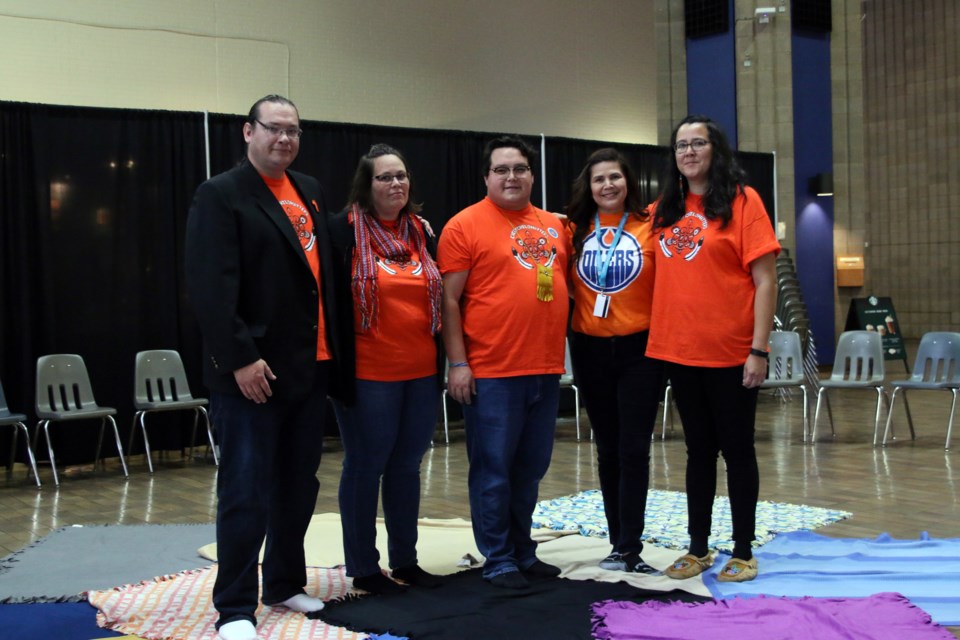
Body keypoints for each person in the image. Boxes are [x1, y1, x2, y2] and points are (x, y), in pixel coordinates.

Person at [185, 95, 342, 640]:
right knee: (245, 491)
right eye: (273, 129)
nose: (284, 139)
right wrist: (240, 360)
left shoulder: (312, 191)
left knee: (298, 487)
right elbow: (210, 289)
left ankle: (283, 582)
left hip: (309, 368)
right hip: (252, 374)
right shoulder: (221, 194)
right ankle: (233, 607)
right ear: (248, 132)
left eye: (293, 131)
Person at [646, 115, 779, 583]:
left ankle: (743, 550)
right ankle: (698, 548)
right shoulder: (665, 208)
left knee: (738, 450)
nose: (688, 152)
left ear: (714, 149)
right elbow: (614, 225)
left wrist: (758, 349)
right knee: (698, 453)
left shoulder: (744, 202)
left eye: (697, 143)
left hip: (731, 353)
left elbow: (765, 280)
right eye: (680, 145)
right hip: (680, 354)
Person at [438, 135, 570, 590]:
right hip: (492, 372)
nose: (511, 177)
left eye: (519, 169)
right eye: (501, 170)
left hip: (546, 369)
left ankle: (522, 549)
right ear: (486, 177)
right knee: (493, 470)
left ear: (532, 175)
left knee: (530, 469)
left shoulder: (555, 226)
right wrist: (458, 363)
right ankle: (497, 557)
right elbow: (448, 301)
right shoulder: (463, 225)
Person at [328, 144, 444, 595]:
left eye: (401, 176)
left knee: (406, 467)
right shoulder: (341, 233)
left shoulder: (421, 233)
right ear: (366, 184)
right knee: (365, 466)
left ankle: (406, 561)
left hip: (419, 373)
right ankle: (363, 567)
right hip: (367, 375)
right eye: (383, 178)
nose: (395, 184)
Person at [564, 148, 663, 574]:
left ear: (629, 183)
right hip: (590, 348)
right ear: (589, 186)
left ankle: (632, 545)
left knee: (634, 448)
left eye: (615, 178)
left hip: (641, 349)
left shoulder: (652, 225)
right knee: (607, 448)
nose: (608, 185)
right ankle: (616, 544)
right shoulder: (572, 231)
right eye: (599, 179)